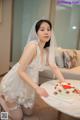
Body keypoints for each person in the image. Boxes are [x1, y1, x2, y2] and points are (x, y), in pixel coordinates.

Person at [0, 19, 65, 120]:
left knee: (29, 113)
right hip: (16, 81)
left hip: (29, 82)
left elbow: (54, 67)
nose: (46, 32)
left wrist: (64, 83)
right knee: (18, 117)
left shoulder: (46, 51)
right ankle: (2, 102)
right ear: (36, 32)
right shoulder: (32, 46)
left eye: (48, 29)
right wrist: (37, 88)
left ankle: (16, 103)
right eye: (42, 29)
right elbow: (20, 71)